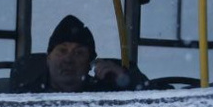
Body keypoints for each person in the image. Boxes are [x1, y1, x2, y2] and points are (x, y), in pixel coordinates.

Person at [11, 15, 148, 93]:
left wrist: (125, 80)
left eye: (79, 53)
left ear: (89, 64)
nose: (68, 59)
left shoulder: (105, 95)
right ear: (48, 58)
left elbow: (154, 105)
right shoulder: (24, 98)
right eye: (62, 50)